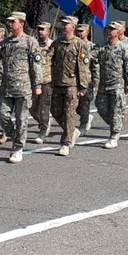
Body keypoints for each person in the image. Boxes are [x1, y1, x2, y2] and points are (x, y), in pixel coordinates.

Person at [0, 12, 42, 163]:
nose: (10, 24)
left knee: (21, 119)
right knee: (1, 116)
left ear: (21, 23)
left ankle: (17, 149)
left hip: (23, 89)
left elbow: (36, 65)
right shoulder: (5, 42)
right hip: (6, 87)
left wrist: (37, 85)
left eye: (13, 22)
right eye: (9, 22)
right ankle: (14, 136)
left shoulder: (30, 42)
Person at [50, 16, 91, 156]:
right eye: (62, 24)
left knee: (69, 114)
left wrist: (83, 86)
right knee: (55, 111)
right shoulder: (56, 43)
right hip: (57, 83)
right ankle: (72, 131)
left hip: (72, 85)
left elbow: (84, 67)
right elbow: (49, 61)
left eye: (66, 25)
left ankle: (65, 143)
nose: (63, 26)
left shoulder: (79, 44)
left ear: (73, 27)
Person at [94, 22, 128, 149]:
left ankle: (114, 136)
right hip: (103, 84)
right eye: (108, 29)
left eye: (112, 30)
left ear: (118, 32)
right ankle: (118, 121)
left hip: (118, 84)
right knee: (100, 107)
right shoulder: (102, 47)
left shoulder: (123, 48)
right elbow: (90, 56)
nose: (109, 31)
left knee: (115, 110)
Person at [30, 22, 54, 144]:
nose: (40, 32)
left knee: (44, 108)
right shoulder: (33, 44)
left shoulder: (52, 45)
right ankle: (43, 122)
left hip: (47, 80)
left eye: (42, 29)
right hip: (33, 81)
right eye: (39, 29)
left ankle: (43, 131)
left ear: (48, 31)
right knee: (32, 108)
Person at [75, 24, 99, 133]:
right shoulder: (74, 44)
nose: (79, 33)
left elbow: (95, 64)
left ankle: (83, 125)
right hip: (74, 79)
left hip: (87, 79)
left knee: (85, 103)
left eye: (82, 31)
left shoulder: (92, 46)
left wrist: (95, 79)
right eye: (78, 31)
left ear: (87, 32)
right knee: (75, 105)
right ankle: (87, 116)